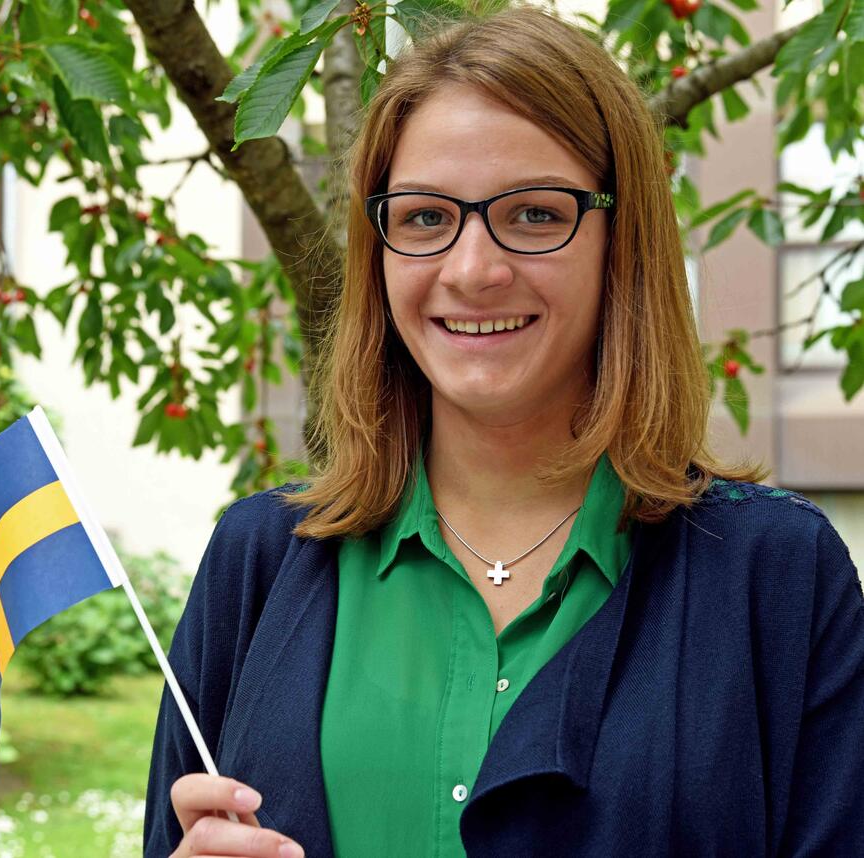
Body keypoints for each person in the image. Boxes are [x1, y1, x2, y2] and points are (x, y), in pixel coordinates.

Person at [143, 5, 864, 857]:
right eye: (423, 218)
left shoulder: (777, 576)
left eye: (532, 215)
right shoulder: (256, 563)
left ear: (620, 239)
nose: (473, 270)